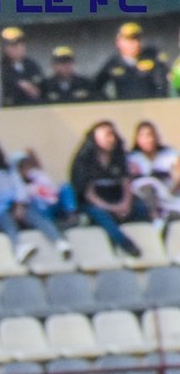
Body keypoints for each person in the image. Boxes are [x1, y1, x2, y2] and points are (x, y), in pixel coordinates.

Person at [70, 120, 149, 257]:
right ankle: (126, 245)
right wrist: (111, 208)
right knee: (101, 215)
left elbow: (126, 183)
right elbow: (88, 193)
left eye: (113, 135)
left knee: (141, 208)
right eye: (107, 135)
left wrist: (124, 204)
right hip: (95, 203)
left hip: (117, 198)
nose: (111, 139)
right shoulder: (83, 160)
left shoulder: (119, 157)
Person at [95, 22, 168, 101]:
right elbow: (96, 86)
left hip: (149, 107)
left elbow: (161, 87)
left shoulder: (152, 58)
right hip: (124, 109)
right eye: (129, 40)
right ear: (118, 42)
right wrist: (109, 103)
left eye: (137, 39)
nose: (134, 43)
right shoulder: (113, 63)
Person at [129, 121, 180, 221]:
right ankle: (156, 218)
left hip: (169, 192)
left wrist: (171, 190)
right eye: (143, 136)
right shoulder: (133, 158)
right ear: (137, 139)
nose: (148, 140)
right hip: (146, 197)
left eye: (150, 135)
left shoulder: (168, 154)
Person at [0, 26, 42, 107]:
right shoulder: (0, 68)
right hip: (10, 109)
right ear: (5, 48)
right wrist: (18, 84)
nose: (17, 49)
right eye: (12, 46)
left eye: (19, 45)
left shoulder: (31, 65)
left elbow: (41, 87)